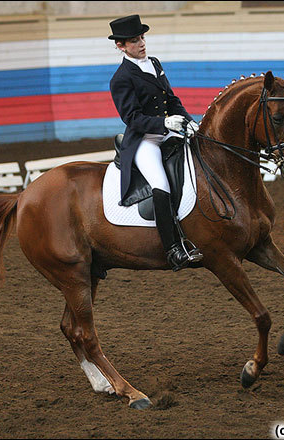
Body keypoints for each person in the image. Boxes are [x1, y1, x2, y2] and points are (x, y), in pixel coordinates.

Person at [108, 14, 202, 271]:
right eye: (134, 40)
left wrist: (188, 120)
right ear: (121, 46)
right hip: (144, 141)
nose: (141, 43)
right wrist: (163, 124)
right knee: (161, 185)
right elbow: (133, 118)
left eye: (142, 37)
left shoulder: (155, 63)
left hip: (170, 130)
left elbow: (171, 99)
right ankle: (172, 249)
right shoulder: (120, 79)